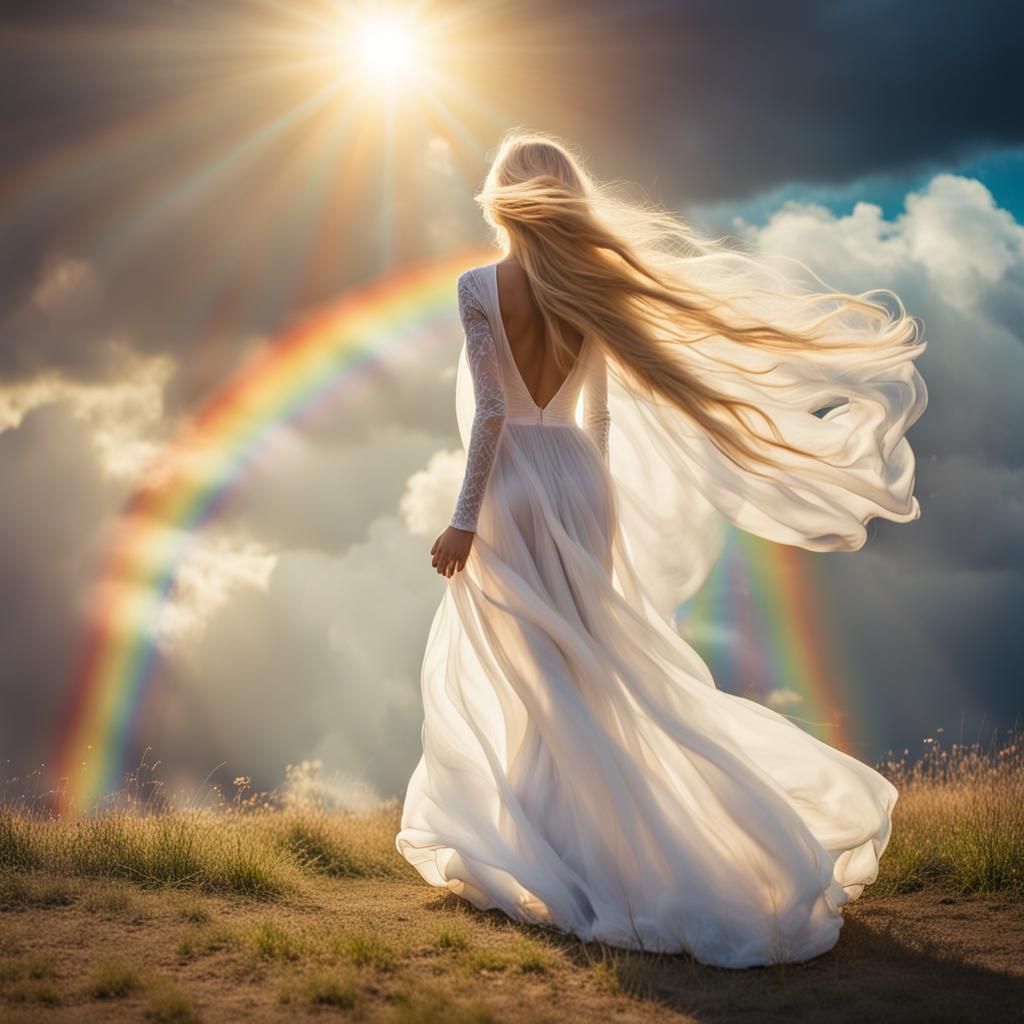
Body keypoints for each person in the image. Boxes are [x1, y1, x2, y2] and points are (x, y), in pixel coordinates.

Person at [395, 128, 928, 969]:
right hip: (576, 480)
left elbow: (494, 414)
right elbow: (598, 423)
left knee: (527, 671)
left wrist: (464, 518)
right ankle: (602, 843)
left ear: (500, 199)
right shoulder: (594, 290)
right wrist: (596, 514)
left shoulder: (477, 288)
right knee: (587, 670)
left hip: (512, 487)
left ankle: (559, 853)